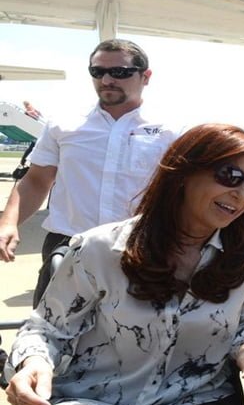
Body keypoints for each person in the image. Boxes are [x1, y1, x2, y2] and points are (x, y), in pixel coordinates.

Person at [4, 123, 244, 405]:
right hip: (96, 400)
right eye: (229, 175)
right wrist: (33, 364)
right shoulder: (101, 247)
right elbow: (46, 330)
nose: (241, 194)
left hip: (194, 399)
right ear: (183, 172)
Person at [0, 39, 181, 306]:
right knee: (51, 337)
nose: (107, 79)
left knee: (137, 341)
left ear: (146, 77)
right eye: (97, 72)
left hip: (142, 249)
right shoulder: (64, 124)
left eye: (119, 72)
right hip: (69, 247)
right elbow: (37, 181)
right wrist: (8, 222)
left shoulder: (174, 130)